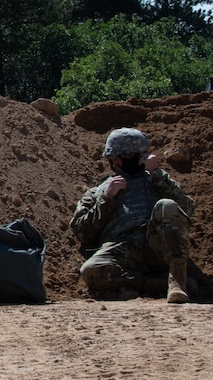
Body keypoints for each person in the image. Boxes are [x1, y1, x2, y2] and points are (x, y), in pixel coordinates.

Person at [71, 127, 196, 303]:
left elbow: (187, 209)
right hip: (123, 250)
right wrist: (107, 199)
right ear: (115, 160)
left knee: (166, 205)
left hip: (157, 246)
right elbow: (82, 232)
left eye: (140, 155)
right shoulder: (99, 191)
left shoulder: (158, 180)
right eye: (128, 156)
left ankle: (177, 281)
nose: (136, 160)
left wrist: (158, 176)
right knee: (90, 270)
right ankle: (156, 284)